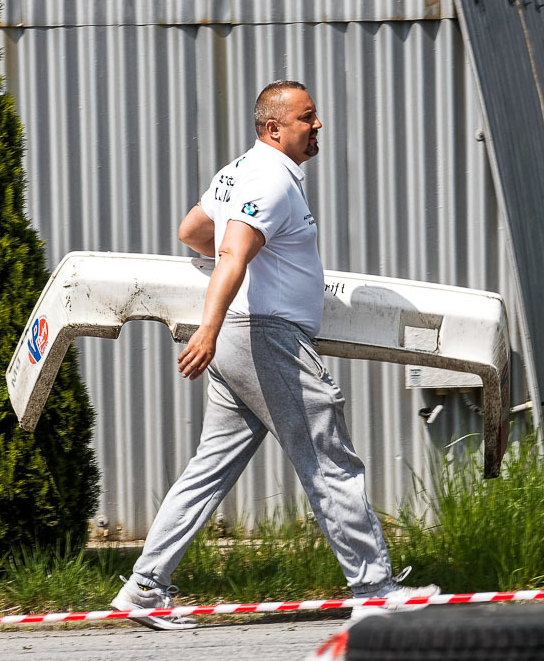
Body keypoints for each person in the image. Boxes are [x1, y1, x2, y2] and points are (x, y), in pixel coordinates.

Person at [109, 80, 438, 629]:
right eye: (307, 117)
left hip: (241, 340)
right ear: (274, 128)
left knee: (210, 468)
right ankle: (375, 590)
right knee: (329, 459)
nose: (318, 125)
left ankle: (144, 587)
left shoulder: (238, 170)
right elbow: (232, 253)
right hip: (267, 339)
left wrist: (224, 320)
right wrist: (208, 327)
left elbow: (193, 230)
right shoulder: (272, 180)